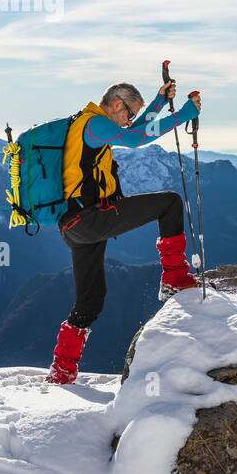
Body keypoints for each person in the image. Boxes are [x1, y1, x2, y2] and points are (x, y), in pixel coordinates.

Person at [45, 78, 201, 384]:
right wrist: (182, 115)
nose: (129, 121)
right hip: (91, 218)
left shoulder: (88, 123)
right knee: (169, 203)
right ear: (117, 104)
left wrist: (157, 102)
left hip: (73, 225)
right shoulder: (96, 125)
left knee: (90, 301)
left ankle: (61, 371)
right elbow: (135, 139)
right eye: (128, 113)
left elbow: (132, 131)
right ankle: (174, 278)